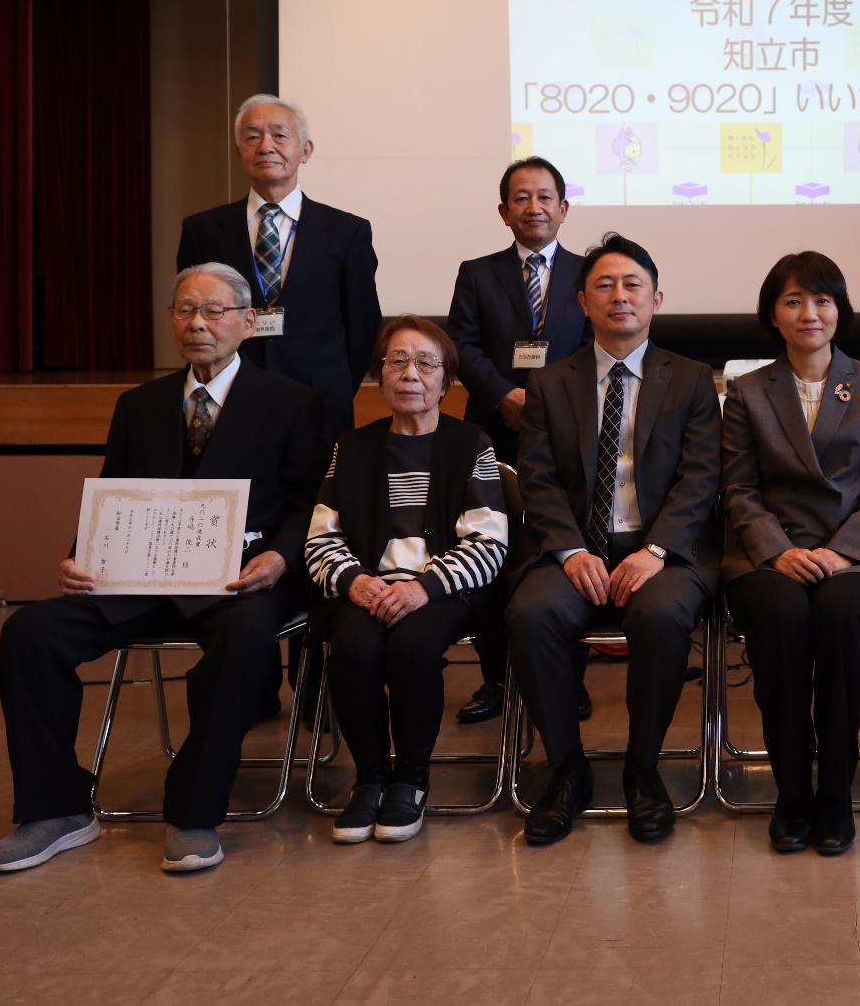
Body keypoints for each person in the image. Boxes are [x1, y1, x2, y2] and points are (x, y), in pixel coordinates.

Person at [0, 264, 324, 875]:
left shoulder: (292, 402)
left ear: (247, 322)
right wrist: (79, 555)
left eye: (214, 311)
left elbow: (308, 502)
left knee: (246, 639)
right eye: (184, 310)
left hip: (240, 581)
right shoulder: (138, 405)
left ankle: (193, 812)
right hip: (141, 576)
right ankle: (55, 809)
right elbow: (113, 493)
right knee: (30, 633)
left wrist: (280, 557)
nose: (198, 324)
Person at [505, 233, 721, 846]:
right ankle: (566, 771)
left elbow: (701, 477)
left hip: (663, 551)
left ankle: (642, 770)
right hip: (575, 547)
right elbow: (537, 479)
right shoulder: (551, 383)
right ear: (582, 301)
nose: (619, 296)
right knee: (531, 614)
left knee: (661, 617)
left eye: (633, 285)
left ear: (656, 299)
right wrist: (572, 551)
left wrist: (656, 551)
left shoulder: (691, 380)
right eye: (604, 285)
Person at [721, 252, 860, 855]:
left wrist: (842, 552)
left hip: (853, 553)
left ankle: (835, 792)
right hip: (770, 554)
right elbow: (738, 488)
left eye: (822, 300)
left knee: (844, 617)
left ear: (839, 310)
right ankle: (792, 790)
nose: (810, 313)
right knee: (781, 618)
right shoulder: (748, 391)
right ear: (772, 314)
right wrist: (778, 551)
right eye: (794, 301)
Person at [304, 316, 510, 844]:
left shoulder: (472, 444)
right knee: (351, 649)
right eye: (396, 361)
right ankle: (371, 777)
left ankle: (411, 780)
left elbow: (489, 543)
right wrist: (354, 581)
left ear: (447, 380)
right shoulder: (352, 447)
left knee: (412, 649)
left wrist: (424, 587)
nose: (410, 374)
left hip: (442, 590)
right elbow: (321, 538)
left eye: (425, 363)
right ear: (379, 376)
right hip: (366, 589)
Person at [446, 157, 593, 727]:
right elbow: (462, 347)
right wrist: (505, 394)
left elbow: (595, 345)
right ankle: (496, 679)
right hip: (494, 431)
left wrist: (554, 402)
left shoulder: (589, 273)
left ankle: (567, 679)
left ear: (564, 207)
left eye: (545, 197)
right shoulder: (478, 273)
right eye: (522, 198)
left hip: (570, 433)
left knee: (566, 551)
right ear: (504, 211)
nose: (534, 207)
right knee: (490, 552)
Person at [176, 93, 382, 444]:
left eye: (279, 135)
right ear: (239, 151)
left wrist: (336, 386)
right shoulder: (203, 230)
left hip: (320, 403)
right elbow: (190, 314)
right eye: (252, 137)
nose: (265, 146)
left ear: (305, 150)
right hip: (231, 400)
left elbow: (363, 323)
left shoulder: (347, 232)